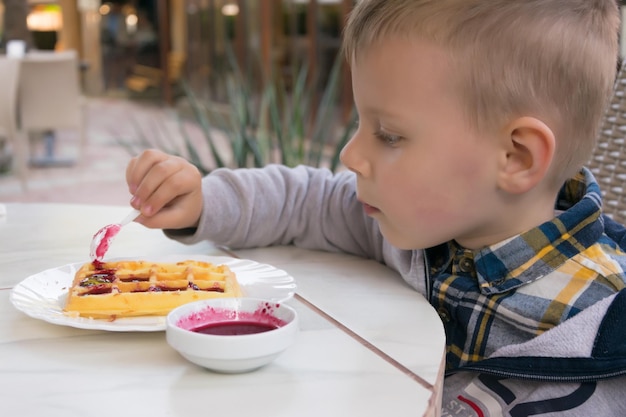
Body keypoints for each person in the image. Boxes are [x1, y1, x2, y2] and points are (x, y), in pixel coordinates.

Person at [126, 0, 626, 415]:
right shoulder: (424, 222)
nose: (350, 154)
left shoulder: (594, 349)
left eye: (389, 135)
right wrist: (203, 202)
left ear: (516, 157)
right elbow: (308, 200)